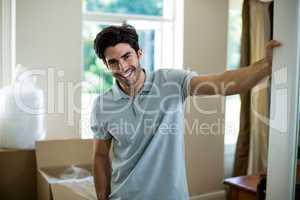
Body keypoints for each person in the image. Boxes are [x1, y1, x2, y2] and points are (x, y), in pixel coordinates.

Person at [90, 24, 281, 200]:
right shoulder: (101, 105)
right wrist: (102, 197)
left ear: (139, 53)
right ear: (106, 65)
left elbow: (223, 83)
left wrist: (267, 65)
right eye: (113, 62)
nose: (122, 67)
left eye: (126, 56)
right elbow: (100, 156)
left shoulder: (171, 81)